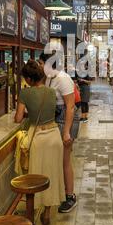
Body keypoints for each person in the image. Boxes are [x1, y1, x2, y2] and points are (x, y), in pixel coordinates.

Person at [15, 60, 65, 225]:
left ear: (29, 79)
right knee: (52, 174)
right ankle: (47, 212)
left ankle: (32, 211)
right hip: (54, 136)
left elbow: (18, 118)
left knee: (35, 175)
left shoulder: (25, 93)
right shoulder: (51, 92)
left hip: (39, 138)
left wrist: (30, 112)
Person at [38, 52, 78, 213]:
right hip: (55, 117)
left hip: (65, 119)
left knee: (64, 160)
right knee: (57, 159)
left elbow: (70, 107)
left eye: (40, 63)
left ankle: (70, 196)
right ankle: (60, 192)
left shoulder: (63, 79)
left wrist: (67, 132)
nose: (39, 66)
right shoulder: (47, 78)